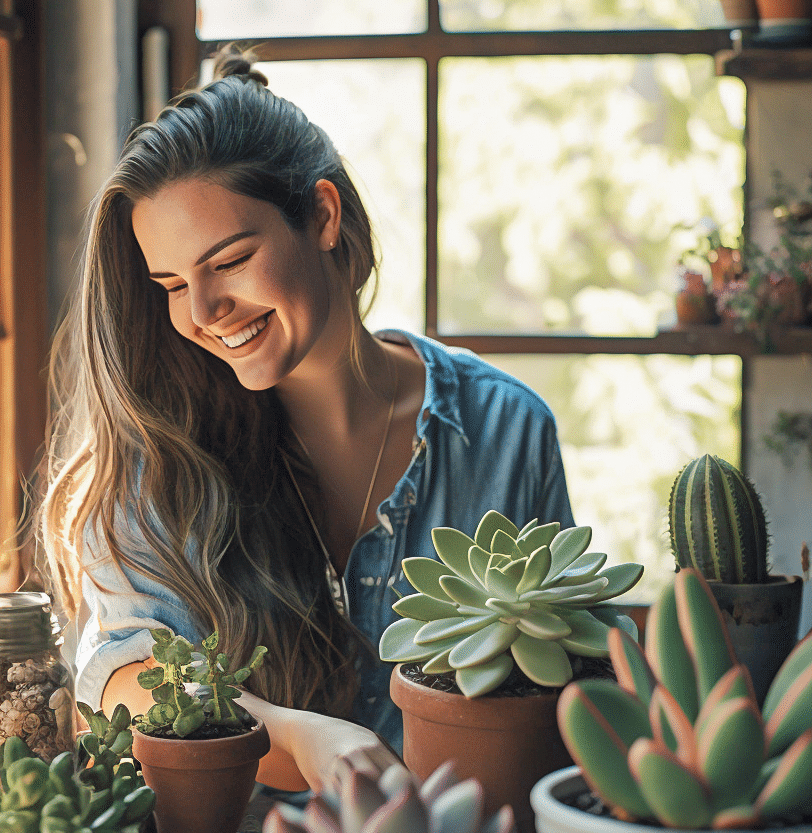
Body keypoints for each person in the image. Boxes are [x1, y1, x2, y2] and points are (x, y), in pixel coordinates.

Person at [39, 45, 574, 792]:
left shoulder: (507, 430)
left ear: (322, 215)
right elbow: (128, 677)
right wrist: (291, 735)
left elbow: (557, 679)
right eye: (170, 282)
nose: (202, 313)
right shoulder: (155, 452)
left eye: (228, 260)